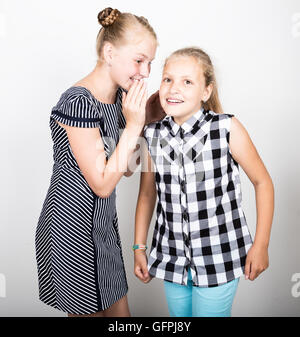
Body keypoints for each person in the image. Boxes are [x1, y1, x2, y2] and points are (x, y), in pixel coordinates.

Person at [133, 47, 274, 317]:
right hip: (171, 259)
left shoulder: (227, 128)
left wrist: (262, 244)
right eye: (168, 79)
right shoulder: (150, 134)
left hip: (218, 258)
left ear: (206, 91)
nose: (174, 89)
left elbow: (263, 182)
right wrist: (139, 247)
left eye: (187, 82)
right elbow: (147, 195)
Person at [35, 7, 158, 317]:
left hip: (102, 228)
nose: (145, 72)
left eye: (150, 64)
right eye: (139, 60)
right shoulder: (78, 101)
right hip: (69, 229)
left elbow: (125, 169)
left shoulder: (118, 101)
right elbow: (102, 184)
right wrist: (132, 127)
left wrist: (143, 121)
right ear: (109, 52)